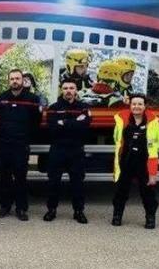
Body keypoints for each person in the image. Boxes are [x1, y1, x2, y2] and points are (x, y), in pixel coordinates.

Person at [111, 93, 159, 229]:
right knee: (120, 191)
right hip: (126, 161)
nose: (137, 106)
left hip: (144, 162)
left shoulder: (153, 122)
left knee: (148, 192)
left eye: (140, 104)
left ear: (145, 106)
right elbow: (117, 138)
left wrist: (152, 172)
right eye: (134, 104)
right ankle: (117, 215)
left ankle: (150, 217)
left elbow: (158, 143)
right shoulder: (122, 119)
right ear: (130, 105)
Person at [0, 69, 41, 221]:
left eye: (17, 78)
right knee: (4, 177)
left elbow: (36, 122)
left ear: (22, 80)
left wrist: (27, 137)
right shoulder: (3, 97)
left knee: (21, 177)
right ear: (9, 81)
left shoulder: (32, 99)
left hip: (21, 145)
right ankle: (5, 206)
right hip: (4, 144)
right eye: (12, 79)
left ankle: (21, 208)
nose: (15, 81)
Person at [44, 81, 91, 223]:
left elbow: (84, 127)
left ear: (76, 90)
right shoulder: (53, 108)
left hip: (76, 150)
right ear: (61, 90)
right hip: (57, 150)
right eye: (65, 88)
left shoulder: (84, 108)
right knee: (53, 182)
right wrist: (74, 122)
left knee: (77, 183)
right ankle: (51, 210)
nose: (68, 91)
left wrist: (63, 122)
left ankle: (78, 211)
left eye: (71, 88)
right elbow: (52, 129)